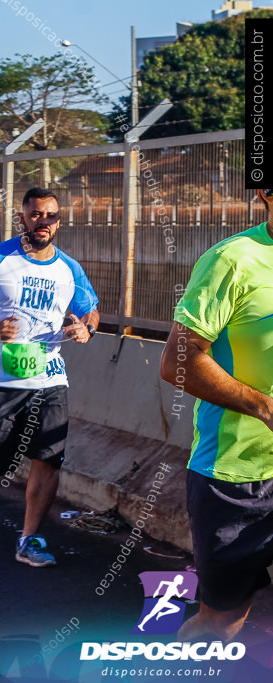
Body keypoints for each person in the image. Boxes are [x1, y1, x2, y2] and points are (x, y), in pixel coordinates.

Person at [0, 187, 99, 568]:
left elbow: (91, 310)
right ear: (23, 219)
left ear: (59, 221)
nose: (43, 222)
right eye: (36, 215)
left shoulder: (70, 269)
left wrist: (86, 329)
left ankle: (29, 538)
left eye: (50, 216)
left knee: (49, 458)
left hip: (49, 376)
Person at [160, 187, 273, 641]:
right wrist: (263, 406)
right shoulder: (233, 259)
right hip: (236, 478)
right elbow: (177, 362)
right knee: (221, 621)